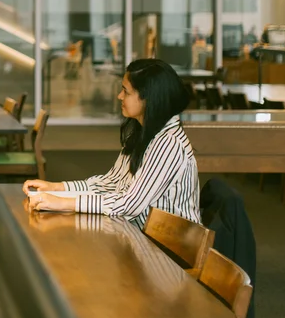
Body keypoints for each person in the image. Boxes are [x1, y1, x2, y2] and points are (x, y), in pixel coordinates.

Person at [23, 58, 199, 229]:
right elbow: (111, 183)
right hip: (140, 236)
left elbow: (130, 205)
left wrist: (64, 203)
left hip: (167, 250)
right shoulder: (143, 130)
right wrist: (57, 188)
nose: (119, 96)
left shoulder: (169, 143)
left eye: (126, 92)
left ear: (148, 99)